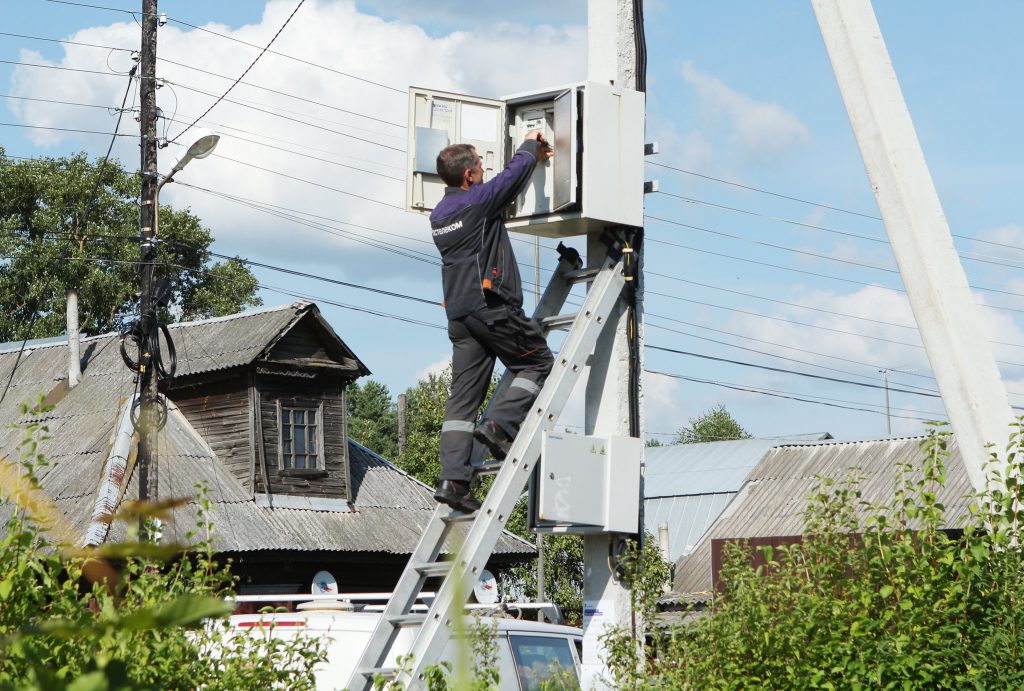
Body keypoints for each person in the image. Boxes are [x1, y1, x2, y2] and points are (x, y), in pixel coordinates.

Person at [430, 130, 555, 513]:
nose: (484, 172)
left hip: (461, 316)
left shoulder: (439, 215)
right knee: (537, 362)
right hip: (491, 306)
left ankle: (454, 481)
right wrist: (532, 146)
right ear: (467, 176)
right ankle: (501, 425)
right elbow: (511, 178)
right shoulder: (478, 202)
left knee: (462, 403)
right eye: (480, 166)